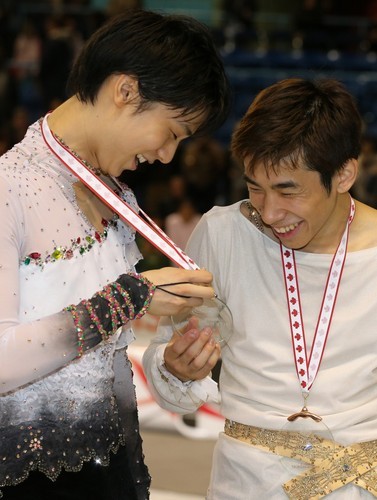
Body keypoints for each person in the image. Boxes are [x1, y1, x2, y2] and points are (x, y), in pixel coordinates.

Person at [0, 9, 230, 499]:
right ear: (126, 91)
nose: (168, 156)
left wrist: (172, 366)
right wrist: (131, 297)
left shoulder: (117, 197)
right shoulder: (8, 189)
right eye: (172, 132)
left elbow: (106, 359)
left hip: (111, 471)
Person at [143, 78, 377, 499]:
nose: (270, 212)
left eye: (288, 190)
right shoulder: (224, 233)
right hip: (244, 483)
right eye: (255, 187)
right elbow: (169, 365)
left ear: (343, 174)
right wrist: (176, 368)